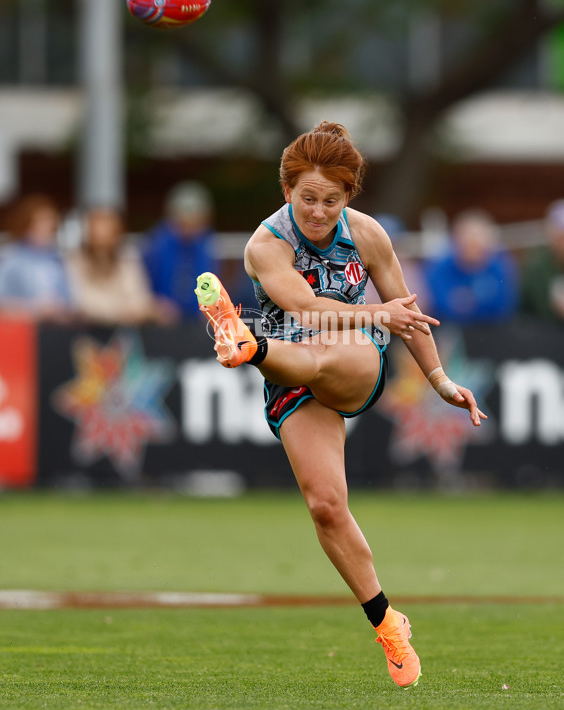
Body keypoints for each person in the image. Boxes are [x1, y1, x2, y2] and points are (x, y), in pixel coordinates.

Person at [193, 122, 486, 689]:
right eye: (307, 198)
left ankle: (246, 344)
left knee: (333, 355)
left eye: (332, 200)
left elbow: (407, 313)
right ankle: (387, 622)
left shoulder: (369, 235)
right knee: (326, 506)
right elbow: (302, 305)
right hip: (291, 368)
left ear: (349, 197)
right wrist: (380, 312)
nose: (319, 211)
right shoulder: (265, 244)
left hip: (354, 359)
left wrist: (440, 379)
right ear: (286, 192)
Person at [66, 207, 167, 326]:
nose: (103, 239)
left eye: (108, 232)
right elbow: (79, 304)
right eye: (97, 234)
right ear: (88, 235)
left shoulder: (128, 259)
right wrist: (119, 312)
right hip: (84, 334)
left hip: (125, 335)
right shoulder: (76, 262)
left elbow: (139, 300)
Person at [424, 208, 519, 324]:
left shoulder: (500, 267)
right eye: (467, 237)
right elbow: (439, 306)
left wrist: (465, 303)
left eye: (478, 238)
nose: (472, 243)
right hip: (451, 328)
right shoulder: (440, 267)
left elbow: (503, 306)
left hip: (492, 330)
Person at [142, 181, 219, 321]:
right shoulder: (156, 245)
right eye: (183, 222)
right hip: (163, 322)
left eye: (196, 222)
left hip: (197, 320)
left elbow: (212, 283)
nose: (189, 228)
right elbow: (142, 288)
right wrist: (155, 305)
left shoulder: (206, 243)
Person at [0, 193, 74, 322]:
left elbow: (71, 301)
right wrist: (34, 308)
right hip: (24, 330)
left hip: (54, 330)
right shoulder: (11, 258)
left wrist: (59, 309)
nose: (45, 229)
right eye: (39, 224)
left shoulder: (57, 259)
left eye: (50, 225)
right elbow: (3, 302)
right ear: (27, 225)